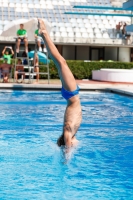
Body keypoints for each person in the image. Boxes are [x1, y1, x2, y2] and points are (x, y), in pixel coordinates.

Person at [38, 19, 82, 148]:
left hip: (72, 95)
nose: (76, 144)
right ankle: (44, 34)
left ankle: (44, 34)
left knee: (61, 62)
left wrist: (66, 158)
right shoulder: (71, 133)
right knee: (60, 63)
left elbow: (68, 147)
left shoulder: (68, 132)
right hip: (72, 95)